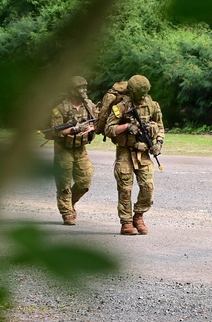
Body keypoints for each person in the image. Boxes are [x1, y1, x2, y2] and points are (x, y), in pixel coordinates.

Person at [104, 75, 164, 236]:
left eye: (145, 92)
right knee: (125, 189)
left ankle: (138, 216)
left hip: (143, 152)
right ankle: (126, 222)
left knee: (148, 187)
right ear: (132, 91)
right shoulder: (121, 106)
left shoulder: (152, 105)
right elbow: (108, 129)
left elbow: (160, 126)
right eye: (139, 93)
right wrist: (126, 126)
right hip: (124, 151)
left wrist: (158, 143)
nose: (143, 96)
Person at [46, 76, 98, 225]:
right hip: (63, 149)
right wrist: (74, 129)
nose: (85, 90)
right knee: (64, 183)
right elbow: (56, 131)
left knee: (85, 181)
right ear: (73, 90)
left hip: (81, 149)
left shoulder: (88, 105)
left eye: (85, 87)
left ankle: (70, 203)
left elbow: (99, 121)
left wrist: (90, 127)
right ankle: (67, 212)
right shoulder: (61, 108)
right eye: (81, 87)